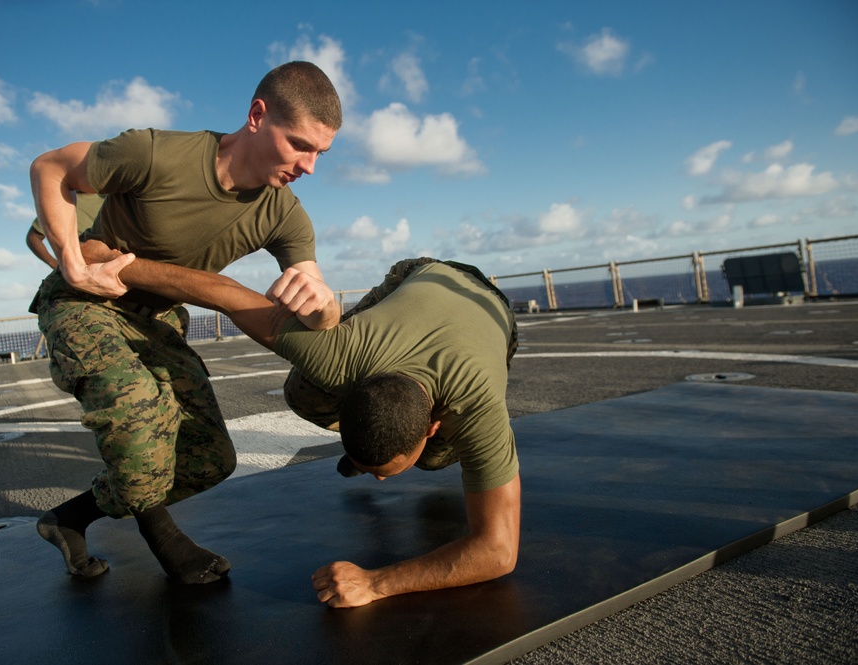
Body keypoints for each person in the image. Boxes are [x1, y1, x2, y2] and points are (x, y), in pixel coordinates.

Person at [28, 61, 342, 585]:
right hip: (85, 303)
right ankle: (164, 537)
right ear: (257, 116)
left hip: (156, 318)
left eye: (321, 154)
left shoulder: (284, 214)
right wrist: (74, 262)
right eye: (299, 145)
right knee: (138, 413)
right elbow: (51, 167)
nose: (309, 166)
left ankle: (69, 519)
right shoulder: (155, 153)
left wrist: (325, 305)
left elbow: (314, 296)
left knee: (209, 458)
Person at [79, 244, 520, 607]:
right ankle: (370, 451)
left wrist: (375, 583)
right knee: (303, 392)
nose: (382, 483)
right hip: (419, 277)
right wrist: (116, 263)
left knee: (441, 461)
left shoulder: (474, 407)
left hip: (488, 307)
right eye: (375, 471)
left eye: (383, 471)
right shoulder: (338, 356)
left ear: (430, 426)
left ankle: (424, 452)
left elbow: (498, 552)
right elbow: (223, 293)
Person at [25, 192, 105, 269]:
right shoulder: (60, 202)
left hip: (112, 265)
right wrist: (56, 265)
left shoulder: (110, 196)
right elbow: (33, 237)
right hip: (81, 270)